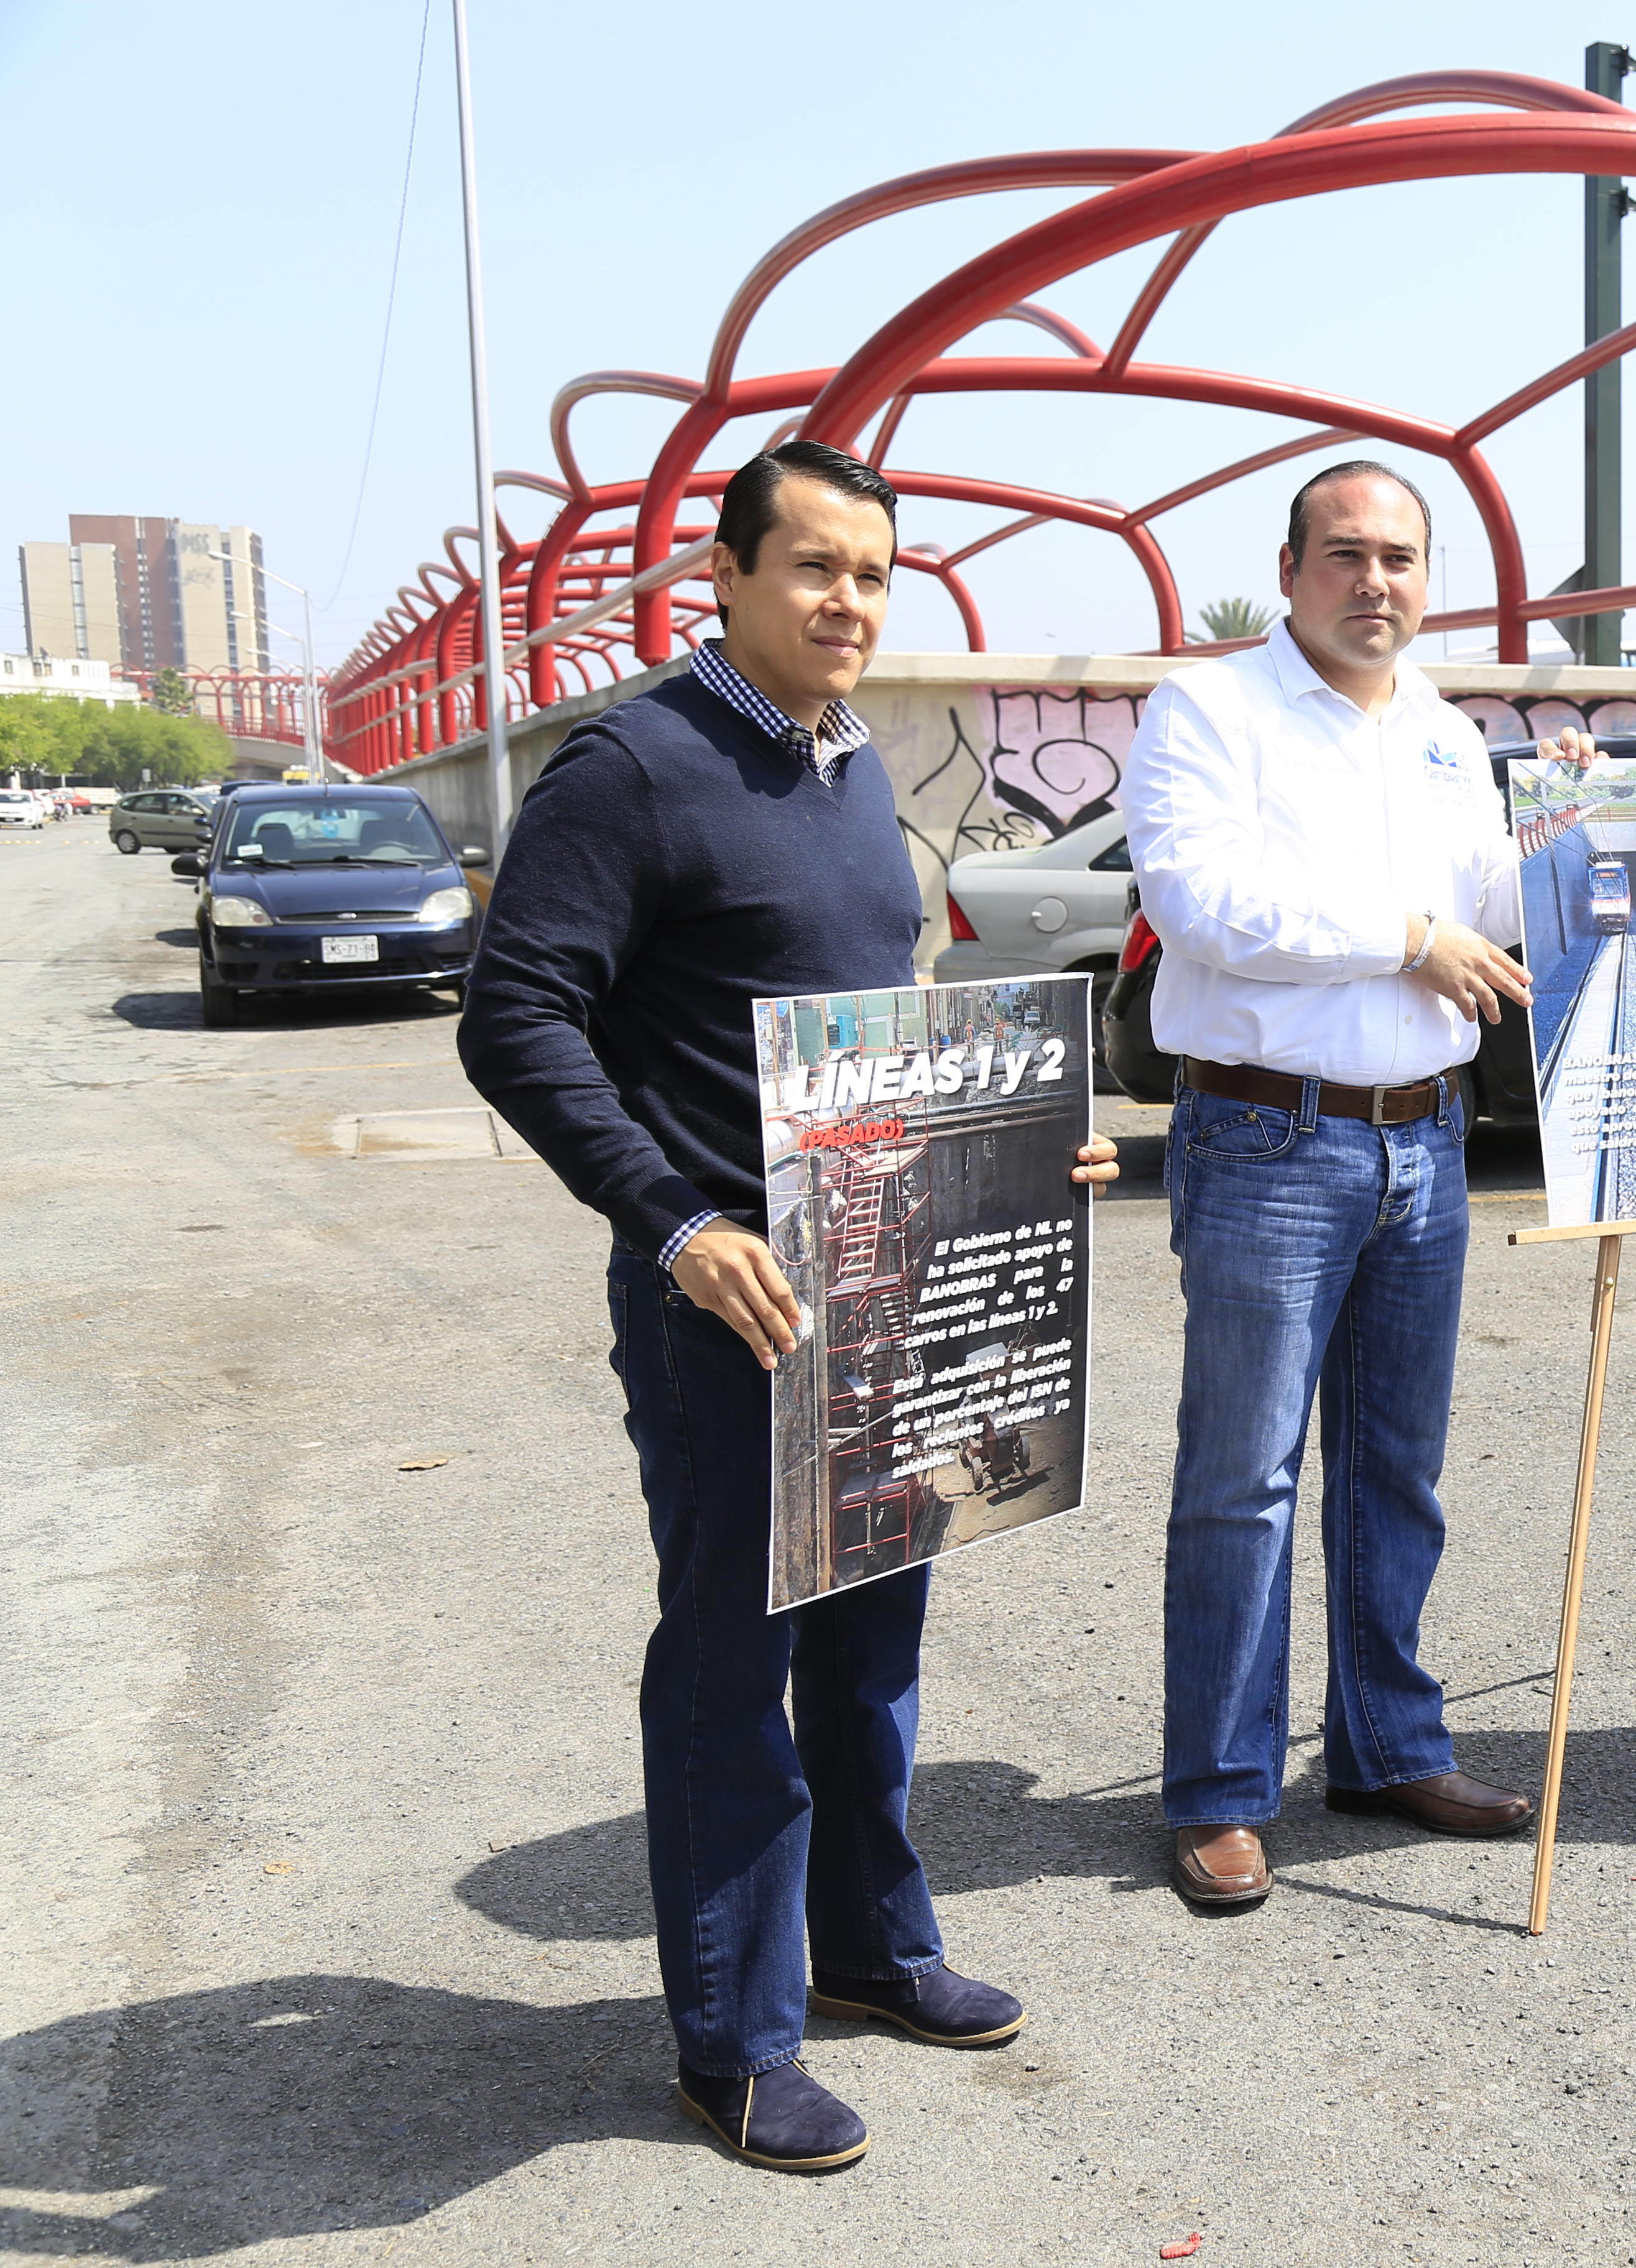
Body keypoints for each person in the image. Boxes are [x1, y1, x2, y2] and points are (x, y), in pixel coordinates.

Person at [460, 440, 1120, 2173]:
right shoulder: (634, 767)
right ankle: (734, 2046)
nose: (849, 602)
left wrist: (1016, 1153)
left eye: (875, 576)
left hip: (879, 1287)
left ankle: (874, 1954)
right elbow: (513, 1019)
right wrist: (674, 1225)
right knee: (730, 1665)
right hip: (726, 1309)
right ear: (726, 582)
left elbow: (875, 1039)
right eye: (816, 568)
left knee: (870, 1642)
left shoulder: (845, 774)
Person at [1124, 458, 1598, 1908]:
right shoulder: (1209, 709)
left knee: (1398, 1472)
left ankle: (1387, 1745)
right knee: (1245, 1480)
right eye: (1346, 554)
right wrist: (1407, 936)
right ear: (1290, 569)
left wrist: (1585, 828)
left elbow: (1499, 920)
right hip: (1270, 1138)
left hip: (1426, 1139)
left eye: (1400, 557)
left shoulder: (1450, 737)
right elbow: (1203, 904)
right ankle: (1217, 1789)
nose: (1374, 582)